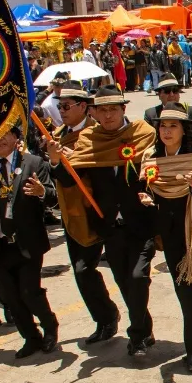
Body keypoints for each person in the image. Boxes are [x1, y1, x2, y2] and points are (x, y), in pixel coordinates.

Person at [52, 87, 158, 356]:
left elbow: (157, 169)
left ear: (124, 109)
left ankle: (136, 336)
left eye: (113, 109)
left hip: (140, 222)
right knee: (124, 281)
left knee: (138, 277)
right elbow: (69, 179)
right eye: (102, 110)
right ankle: (144, 330)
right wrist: (56, 161)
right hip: (110, 227)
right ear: (94, 113)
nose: (108, 115)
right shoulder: (89, 140)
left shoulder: (142, 134)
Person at [137, 104, 192, 372]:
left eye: (173, 126)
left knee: (187, 287)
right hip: (167, 232)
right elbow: (147, 189)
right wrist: (146, 197)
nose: (167, 130)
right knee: (184, 288)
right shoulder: (150, 157)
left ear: (184, 130)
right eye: (163, 125)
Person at [0, 126, 60, 359]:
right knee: (11, 298)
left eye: (4, 135)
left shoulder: (33, 162)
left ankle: (49, 327)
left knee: (30, 292)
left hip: (27, 242)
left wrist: (41, 191)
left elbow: (52, 195)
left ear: (15, 137)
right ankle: (31, 337)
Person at [143, 73, 192, 147]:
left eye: (175, 90)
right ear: (159, 95)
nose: (172, 94)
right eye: (167, 91)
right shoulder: (151, 115)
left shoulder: (191, 111)